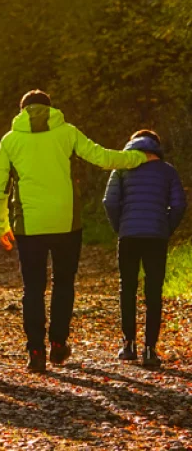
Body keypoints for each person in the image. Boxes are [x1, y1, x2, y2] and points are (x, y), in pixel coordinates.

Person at [0, 89, 151, 373]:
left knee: (33, 288)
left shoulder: (10, 140)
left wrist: (0, 224)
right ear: (51, 109)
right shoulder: (66, 132)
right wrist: (139, 158)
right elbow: (101, 158)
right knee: (63, 283)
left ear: (22, 111)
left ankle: (35, 351)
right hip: (67, 223)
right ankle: (58, 344)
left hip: (29, 225)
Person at [103, 128, 187, 369]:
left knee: (127, 288)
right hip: (156, 238)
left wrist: (120, 226)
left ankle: (128, 344)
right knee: (153, 291)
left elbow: (109, 201)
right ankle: (150, 349)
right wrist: (165, 227)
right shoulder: (167, 171)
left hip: (128, 236)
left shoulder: (122, 168)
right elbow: (179, 204)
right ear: (156, 147)